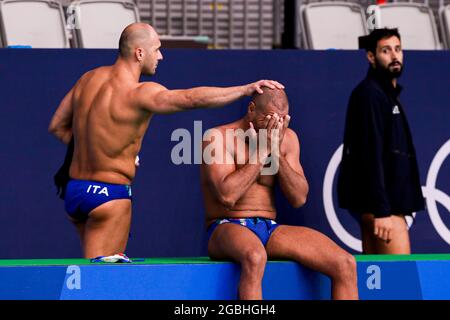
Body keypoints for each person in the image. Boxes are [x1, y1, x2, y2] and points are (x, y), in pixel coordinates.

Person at [48, 22, 284, 258]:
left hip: (75, 191)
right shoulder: (139, 93)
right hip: (108, 197)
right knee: (103, 280)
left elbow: (57, 127)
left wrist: (99, 150)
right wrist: (245, 89)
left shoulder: (87, 79)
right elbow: (191, 99)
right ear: (139, 53)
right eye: (157, 49)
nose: (160, 56)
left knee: (91, 271)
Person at [200, 87, 358, 300]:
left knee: (345, 263)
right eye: (269, 119)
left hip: (269, 228)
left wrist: (276, 152)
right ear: (251, 108)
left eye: (281, 121)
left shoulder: (287, 138)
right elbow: (227, 196)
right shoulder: (217, 138)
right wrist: (263, 150)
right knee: (255, 256)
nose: (276, 127)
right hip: (225, 226)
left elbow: (299, 197)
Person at [337, 28, 425, 254]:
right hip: (383, 208)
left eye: (398, 49)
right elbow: (370, 155)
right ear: (371, 56)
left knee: (379, 282)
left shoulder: (385, 94)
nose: (394, 56)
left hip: (385, 204)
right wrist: (382, 210)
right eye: (385, 50)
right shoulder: (369, 95)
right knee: (399, 282)